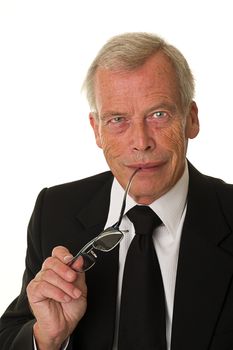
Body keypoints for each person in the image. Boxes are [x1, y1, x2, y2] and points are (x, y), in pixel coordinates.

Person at [0, 32, 233, 350]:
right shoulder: (55, 211)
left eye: (158, 115)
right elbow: (11, 332)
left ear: (191, 119)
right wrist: (48, 337)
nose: (141, 141)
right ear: (96, 130)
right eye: (118, 119)